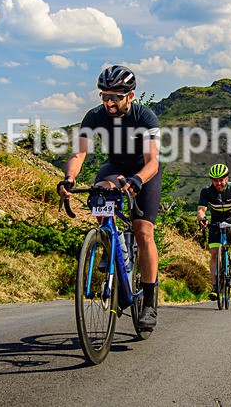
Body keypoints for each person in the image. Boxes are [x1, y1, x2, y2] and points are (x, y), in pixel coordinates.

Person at [57, 65, 162, 330]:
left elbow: (153, 161)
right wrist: (69, 179)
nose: (109, 102)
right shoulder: (94, 116)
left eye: (116, 96)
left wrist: (138, 179)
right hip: (115, 167)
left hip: (143, 171)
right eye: (105, 95)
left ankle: (148, 302)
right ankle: (109, 243)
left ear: (131, 95)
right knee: (100, 191)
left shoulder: (145, 116)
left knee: (143, 231)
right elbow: (78, 154)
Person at [196, 163, 231, 301]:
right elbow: (201, 210)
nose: (218, 183)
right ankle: (214, 287)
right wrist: (202, 219)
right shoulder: (206, 191)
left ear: (227, 178)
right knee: (214, 254)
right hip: (216, 221)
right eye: (215, 180)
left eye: (221, 179)